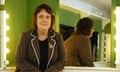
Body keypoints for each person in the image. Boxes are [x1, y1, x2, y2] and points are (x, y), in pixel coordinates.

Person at [15, 4, 64, 72]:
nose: (44, 20)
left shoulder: (58, 37)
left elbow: (62, 60)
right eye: (41, 16)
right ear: (35, 19)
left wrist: (50, 71)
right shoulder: (25, 36)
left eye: (48, 17)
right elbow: (20, 60)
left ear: (51, 20)